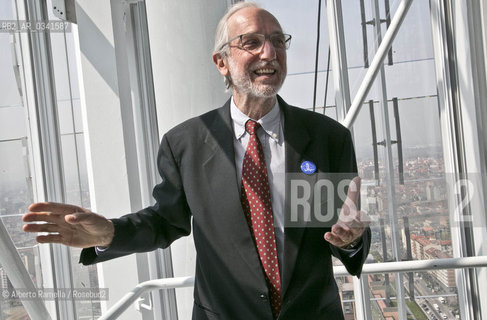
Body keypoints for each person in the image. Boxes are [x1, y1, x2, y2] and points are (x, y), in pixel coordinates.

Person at [23, 2, 371, 319]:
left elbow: (338, 228)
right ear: (222, 62)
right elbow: (165, 222)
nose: (270, 52)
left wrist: (352, 240)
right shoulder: (185, 143)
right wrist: (111, 234)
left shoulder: (326, 137)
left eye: (278, 41)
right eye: (251, 42)